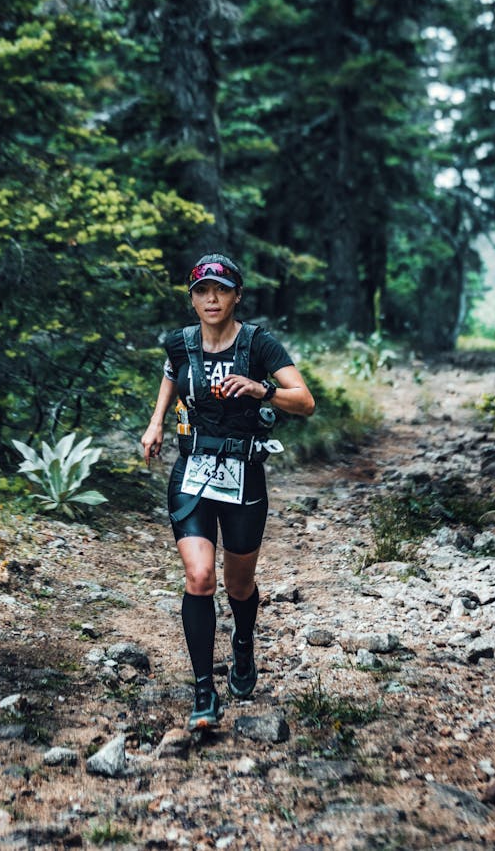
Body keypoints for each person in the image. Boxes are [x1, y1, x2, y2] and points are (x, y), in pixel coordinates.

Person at [141, 253, 315, 730]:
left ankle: (242, 640)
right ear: (193, 298)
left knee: (238, 584)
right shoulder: (180, 343)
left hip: (244, 474)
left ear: (237, 295)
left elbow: (305, 401)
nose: (211, 299)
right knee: (199, 578)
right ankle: (203, 692)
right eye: (201, 291)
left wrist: (262, 391)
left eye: (220, 290)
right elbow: (172, 376)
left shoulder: (259, 344)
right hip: (192, 472)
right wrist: (156, 423)